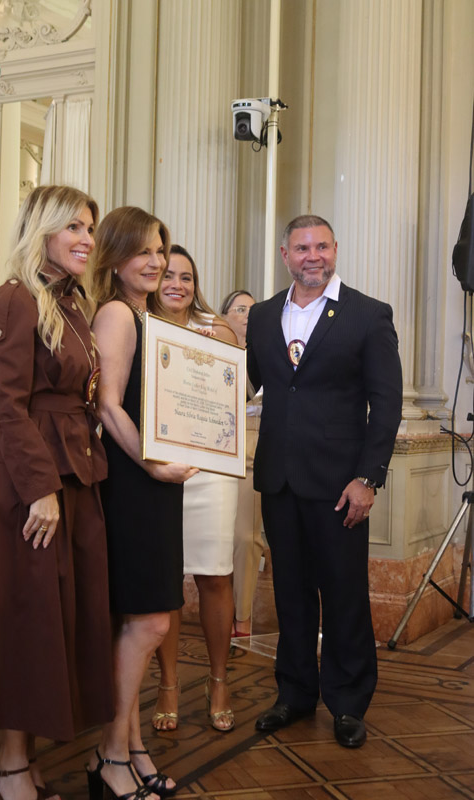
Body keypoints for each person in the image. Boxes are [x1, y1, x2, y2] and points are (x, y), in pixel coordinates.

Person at [0, 185, 115, 800]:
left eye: (90, 228)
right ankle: (10, 763)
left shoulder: (70, 303)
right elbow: (6, 410)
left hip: (71, 470)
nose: (87, 239)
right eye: (73, 226)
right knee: (24, 618)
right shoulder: (13, 301)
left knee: (53, 620)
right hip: (26, 480)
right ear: (41, 230)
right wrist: (41, 489)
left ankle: (27, 758)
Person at [248, 215, 403, 748]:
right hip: (278, 480)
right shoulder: (264, 316)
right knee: (290, 594)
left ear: (335, 250)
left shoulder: (368, 315)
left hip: (341, 485)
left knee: (343, 595)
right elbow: (244, 382)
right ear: (285, 254)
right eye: (301, 248)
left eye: (321, 246)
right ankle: (294, 694)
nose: (312, 256)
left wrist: (368, 478)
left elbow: (385, 405)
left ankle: (348, 701)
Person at [90, 209, 197, 800]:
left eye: (161, 249)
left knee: (140, 619)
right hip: (132, 483)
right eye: (144, 250)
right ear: (114, 255)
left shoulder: (144, 315)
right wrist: (154, 464)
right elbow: (108, 407)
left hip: (150, 481)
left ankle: (130, 749)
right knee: (150, 619)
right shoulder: (115, 314)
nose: (157, 260)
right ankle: (110, 752)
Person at [151, 245, 238, 733]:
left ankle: (219, 679)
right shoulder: (136, 323)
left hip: (211, 467)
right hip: (158, 468)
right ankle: (167, 683)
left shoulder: (217, 326)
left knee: (215, 574)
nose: (177, 284)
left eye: (186, 276)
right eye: (167, 275)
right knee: (166, 579)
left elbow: (237, 394)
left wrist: (221, 353)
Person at [220, 292, 263, 638]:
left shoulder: (267, 355)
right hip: (215, 453)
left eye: (254, 309)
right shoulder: (213, 352)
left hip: (254, 453)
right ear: (224, 316)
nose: (248, 315)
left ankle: (242, 619)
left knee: (245, 537)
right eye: (241, 309)